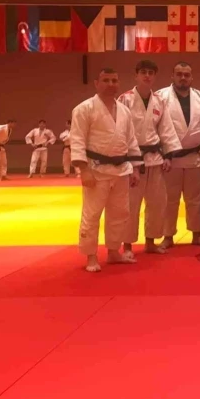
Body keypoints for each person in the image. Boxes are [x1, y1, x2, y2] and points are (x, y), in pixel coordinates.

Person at [70, 68, 141, 272]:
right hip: (96, 170)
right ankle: (91, 256)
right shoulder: (84, 109)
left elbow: (131, 141)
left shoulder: (124, 111)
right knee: (92, 214)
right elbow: (77, 139)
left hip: (121, 170)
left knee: (120, 213)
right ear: (96, 83)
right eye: (106, 80)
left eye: (114, 80)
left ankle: (113, 252)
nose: (111, 84)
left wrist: (136, 168)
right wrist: (83, 170)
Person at [118, 60, 183, 256]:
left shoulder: (159, 101)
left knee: (157, 203)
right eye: (143, 72)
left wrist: (169, 155)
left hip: (155, 159)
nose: (147, 76)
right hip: (133, 160)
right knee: (131, 204)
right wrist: (126, 160)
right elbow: (120, 131)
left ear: (155, 76)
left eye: (151, 73)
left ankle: (150, 242)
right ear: (136, 75)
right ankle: (127, 245)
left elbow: (166, 129)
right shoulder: (125, 99)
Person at [157, 62, 200, 248]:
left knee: (196, 199)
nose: (183, 78)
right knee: (169, 200)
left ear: (192, 77)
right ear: (172, 76)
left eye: (186, 75)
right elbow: (154, 126)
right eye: (179, 74)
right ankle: (168, 236)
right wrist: (161, 153)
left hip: (195, 157)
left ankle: (197, 234)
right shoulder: (160, 97)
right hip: (170, 158)